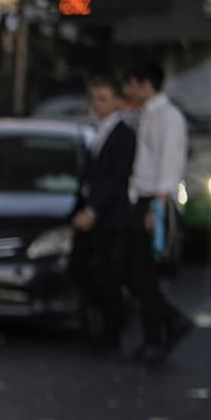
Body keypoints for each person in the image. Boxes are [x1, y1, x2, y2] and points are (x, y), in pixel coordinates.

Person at [122, 62, 192, 365]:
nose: (127, 89)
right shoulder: (148, 114)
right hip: (143, 200)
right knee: (137, 274)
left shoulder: (169, 117)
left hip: (155, 202)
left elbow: (169, 164)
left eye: (130, 83)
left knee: (144, 274)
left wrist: (158, 207)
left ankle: (158, 335)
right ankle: (167, 324)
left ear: (143, 82)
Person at [71, 76, 137, 348]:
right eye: (94, 98)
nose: (97, 105)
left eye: (103, 99)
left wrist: (93, 210)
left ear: (119, 102)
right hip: (96, 213)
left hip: (110, 216)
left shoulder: (123, 135)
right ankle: (112, 318)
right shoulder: (99, 131)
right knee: (83, 270)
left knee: (107, 273)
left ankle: (112, 327)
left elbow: (115, 178)